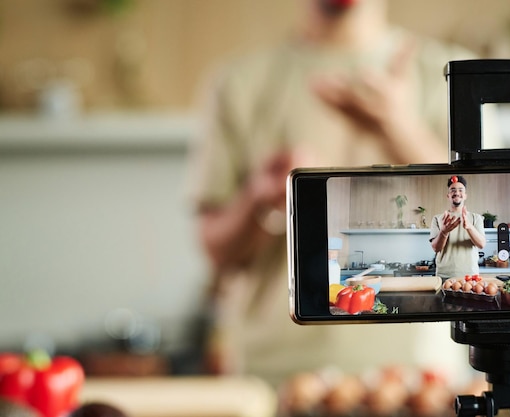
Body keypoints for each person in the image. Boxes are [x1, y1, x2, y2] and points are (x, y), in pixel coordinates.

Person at [185, 0, 490, 386]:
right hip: (272, 375)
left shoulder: (455, 74)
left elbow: (486, 220)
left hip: (419, 373)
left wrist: (398, 129)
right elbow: (216, 251)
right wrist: (259, 197)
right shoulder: (237, 82)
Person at [430, 175, 486, 279]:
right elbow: (435, 248)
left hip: (470, 276)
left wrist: (469, 226)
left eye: (460, 190)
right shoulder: (438, 218)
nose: (456, 193)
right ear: (448, 195)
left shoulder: (476, 218)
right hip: (444, 276)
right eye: (453, 190)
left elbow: (481, 244)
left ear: (465, 195)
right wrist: (444, 232)